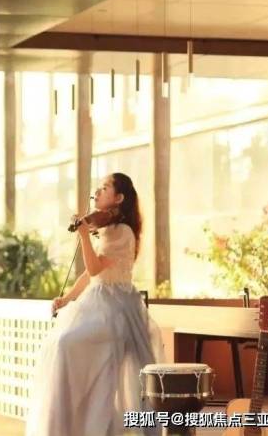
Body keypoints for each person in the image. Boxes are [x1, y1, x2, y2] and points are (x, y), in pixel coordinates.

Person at [25, 172, 164, 436]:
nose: (97, 192)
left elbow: (94, 268)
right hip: (97, 300)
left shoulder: (122, 231)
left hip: (115, 308)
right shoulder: (107, 229)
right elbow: (90, 276)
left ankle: (80, 424)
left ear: (119, 198)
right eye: (98, 188)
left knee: (66, 344)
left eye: (104, 188)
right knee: (58, 343)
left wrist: (84, 237)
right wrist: (66, 298)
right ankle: (70, 425)